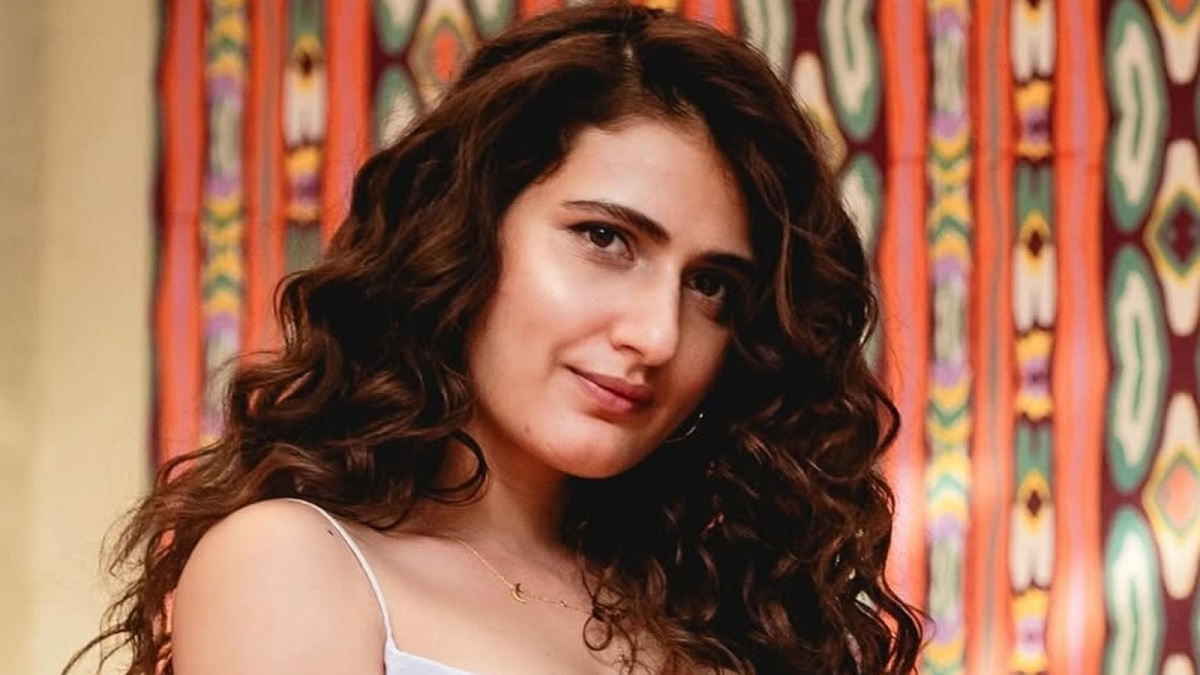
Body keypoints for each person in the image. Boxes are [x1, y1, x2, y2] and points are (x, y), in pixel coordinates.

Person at [67, 3, 923, 673]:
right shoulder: (295, 564)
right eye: (605, 238)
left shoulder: (721, 618)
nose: (658, 333)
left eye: (711, 286)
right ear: (464, 232)